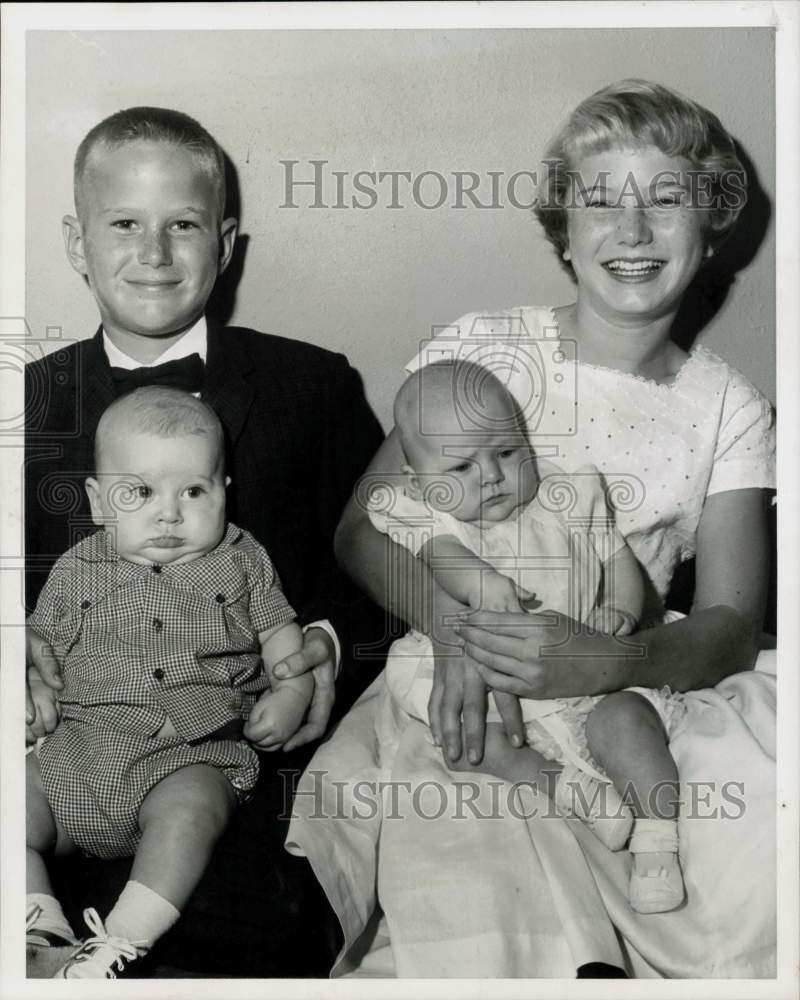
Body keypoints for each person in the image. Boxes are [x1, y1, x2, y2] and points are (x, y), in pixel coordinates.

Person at [287, 79, 776, 977]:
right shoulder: (483, 348)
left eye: (665, 201)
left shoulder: (730, 406)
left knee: (751, 858)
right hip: (467, 667)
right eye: (601, 201)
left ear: (709, 228)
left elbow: (736, 625)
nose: (632, 232)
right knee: (486, 891)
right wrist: (465, 635)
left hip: (638, 677)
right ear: (563, 227)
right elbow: (363, 530)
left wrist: (610, 662)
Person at [24, 107, 386, 976]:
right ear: (77, 242)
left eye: (182, 225)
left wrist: (324, 655)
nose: (155, 254)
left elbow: (383, 576)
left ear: (225, 244)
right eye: (124, 225)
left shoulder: (315, 384)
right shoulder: (20, 402)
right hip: (55, 756)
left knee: (232, 953)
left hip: (228, 773)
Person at [374, 359, 688, 913]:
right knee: (455, 738)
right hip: (496, 690)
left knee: (627, 723)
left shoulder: (566, 499)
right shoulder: (436, 522)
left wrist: (619, 607)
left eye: (506, 453)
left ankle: (658, 841)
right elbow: (440, 557)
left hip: (588, 674)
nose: (490, 476)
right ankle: (561, 785)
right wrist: (484, 582)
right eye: (461, 469)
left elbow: (617, 561)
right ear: (420, 482)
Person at [27, 387, 315, 978]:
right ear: (100, 502)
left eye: (193, 491)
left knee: (192, 812)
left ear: (223, 494)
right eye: (140, 492)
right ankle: (38, 929)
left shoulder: (242, 560)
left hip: (185, 756)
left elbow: (283, 637)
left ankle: (118, 945)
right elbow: (38, 654)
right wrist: (30, 693)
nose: (169, 513)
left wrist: (291, 692)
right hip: (77, 752)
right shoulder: (75, 569)